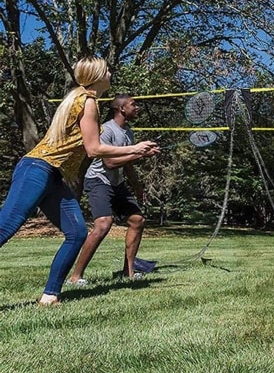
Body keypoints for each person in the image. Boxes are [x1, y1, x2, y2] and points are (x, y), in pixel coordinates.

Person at [0, 57, 159, 305]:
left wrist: (135, 152)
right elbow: (94, 149)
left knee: (76, 233)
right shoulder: (89, 101)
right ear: (97, 76)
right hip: (36, 168)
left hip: (53, 176)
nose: (110, 72)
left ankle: (50, 295)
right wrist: (136, 149)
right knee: (5, 228)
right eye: (107, 69)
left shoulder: (82, 98)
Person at [68, 94, 149, 285]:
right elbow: (110, 162)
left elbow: (127, 164)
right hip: (98, 180)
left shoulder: (128, 132)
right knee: (104, 224)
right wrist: (138, 153)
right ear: (121, 109)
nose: (137, 108)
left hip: (117, 183)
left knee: (137, 220)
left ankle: (128, 272)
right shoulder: (106, 130)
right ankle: (75, 276)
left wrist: (137, 186)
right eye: (133, 105)